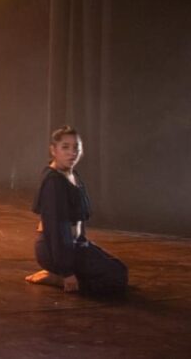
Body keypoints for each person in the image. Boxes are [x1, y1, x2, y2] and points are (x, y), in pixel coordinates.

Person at [25, 125, 128, 295]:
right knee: (115, 279)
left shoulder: (72, 175)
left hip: (75, 245)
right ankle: (56, 278)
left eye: (76, 148)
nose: (71, 152)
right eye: (65, 147)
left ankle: (59, 274)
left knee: (119, 268)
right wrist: (67, 272)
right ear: (53, 150)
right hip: (54, 249)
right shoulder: (54, 182)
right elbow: (57, 229)